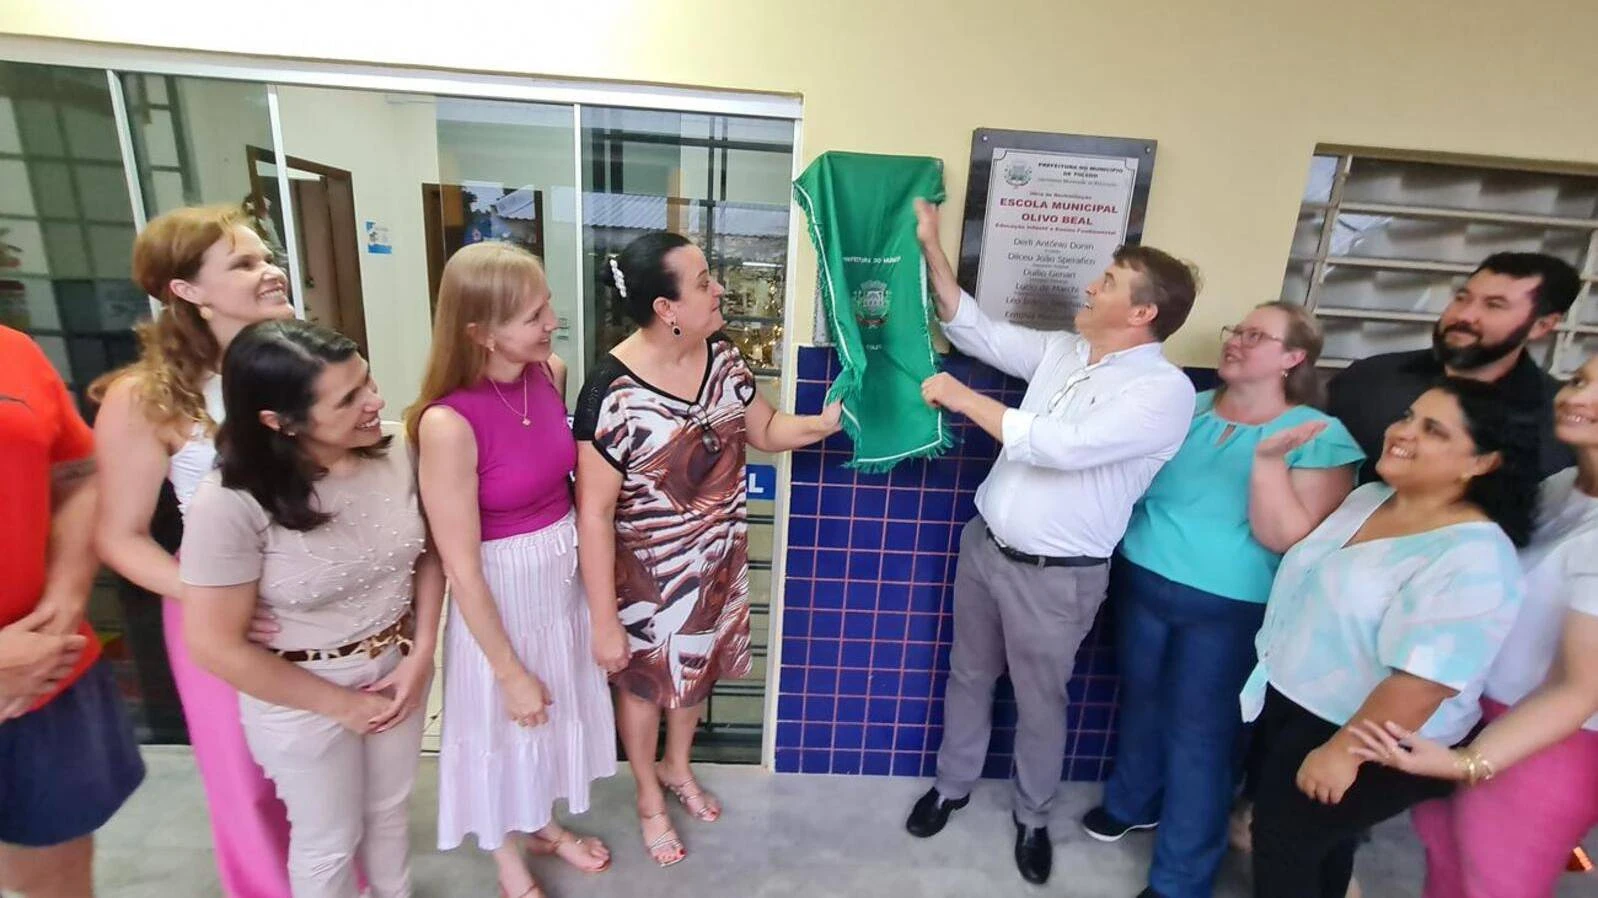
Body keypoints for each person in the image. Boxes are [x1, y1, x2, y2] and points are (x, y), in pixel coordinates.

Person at [902, 198, 1199, 885]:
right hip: (985, 549)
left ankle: (1033, 817)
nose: (1090, 287)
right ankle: (951, 785)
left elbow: (1061, 447)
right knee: (968, 676)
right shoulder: (1064, 351)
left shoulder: (1164, 391)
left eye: (1107, 282)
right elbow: (973, 328)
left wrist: (962, 398)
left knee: (1041, 703)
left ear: (1142, 312)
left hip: (1058, 577)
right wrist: (931, 244)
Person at [572, 232, 840, 867]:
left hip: (717, 563)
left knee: (697, 673)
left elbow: (765, 429)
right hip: (649, 580)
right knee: (644, 688)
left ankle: (677, 765)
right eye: (703, 283)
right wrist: (605, 621)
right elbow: (594, 512)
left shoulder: (722, 358)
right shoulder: (610, 392)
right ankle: (647, 795)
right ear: (666, 308)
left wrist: (823, 424)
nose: (719, 289)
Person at [1081, 302, 1363, 898]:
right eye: (1237, 330)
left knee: (1202, 736)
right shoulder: (1188, 406)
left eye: (1257, 336)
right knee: (1142, 701)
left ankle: (1181, 878)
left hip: (1231, 608)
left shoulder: (1318, 435)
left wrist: (1269, 462)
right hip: (1141, 579)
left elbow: (1287, 538)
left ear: (1293, 358)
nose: (1236, 340)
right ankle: (1132, 803)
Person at [1241, 378, 1539, 898]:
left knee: (1284, 843)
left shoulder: (1474, 556)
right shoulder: (1371, 498)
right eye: (1407, 416)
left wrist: (1345, 752)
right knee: (1319, 844)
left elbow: (1424, 682)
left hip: (1374, 735)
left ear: (1482, 462)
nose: (1402, 432)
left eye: (1433, 430)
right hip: (1299, 702)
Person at [180, 319, 443, 898]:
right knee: (329, 840)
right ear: (279, 421)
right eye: (347, 399)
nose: (375, 402)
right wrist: (341, 705)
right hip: (299, 691)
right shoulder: (228, 503)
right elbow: (213, 645)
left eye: (367, 381)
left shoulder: (400, 450)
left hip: (397, 666)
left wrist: (422, 652)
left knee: (390, 813)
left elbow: (430, 555)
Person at [90, 204, 295, 898]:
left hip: (314, 601)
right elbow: (118, 535)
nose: (270, 271)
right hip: (220, 613)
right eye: (244, 263)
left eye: (266, 257)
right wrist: (209, 597)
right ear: (188, 290)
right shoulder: (143, 398)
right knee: (248, 783)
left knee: (325, 769)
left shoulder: (300, 366)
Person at [1348, 352, 1598, 898]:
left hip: (1545, 739)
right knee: (1443, 859)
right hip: (1469, 704)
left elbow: (1581, 690)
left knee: (1496, 880)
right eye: (1579, 380)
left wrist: (1468, 762)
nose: (1578, 397)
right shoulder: (1561, 486)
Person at [409, 242, 616, 898]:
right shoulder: (447, 423)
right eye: (533, 315)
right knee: (503, 721)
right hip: (499, 594)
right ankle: (507, 863)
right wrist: (507, 669)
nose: (552, 320)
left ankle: (542, 824)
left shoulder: (547, 373)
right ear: (480, 332)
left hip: (559, 578)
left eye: (547, 304)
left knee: (550, 715)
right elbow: (460, 566)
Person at [0, 325, 145, 898]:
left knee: (56, 877)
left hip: (45, 674)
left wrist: (65, 597)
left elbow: (77, 474)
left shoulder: (13, 350)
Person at [1327, 252, 1580, 485]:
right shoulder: (1369, 379)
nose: (1465, 315)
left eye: (1494, 305)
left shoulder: (1560, 422)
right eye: (1462, 298)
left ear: (1541, 326)